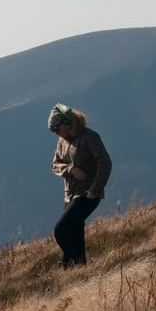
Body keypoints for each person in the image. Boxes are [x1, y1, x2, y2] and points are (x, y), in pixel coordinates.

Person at [47, 103, 112, 267]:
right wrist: (70, 169)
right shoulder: (62, 141)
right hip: (69, 194)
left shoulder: (89, 137)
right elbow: (55, 164)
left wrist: (95, 189)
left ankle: (71, 262)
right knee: (74, 231)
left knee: (60, 230)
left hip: (87, 194)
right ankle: (80, 267)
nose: (56, 133)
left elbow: (105, 162)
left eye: (57, 129)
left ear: (67, 123)